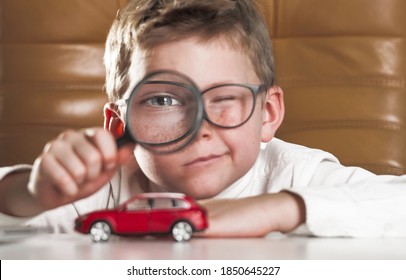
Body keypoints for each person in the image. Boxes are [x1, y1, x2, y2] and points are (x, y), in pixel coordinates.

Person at [0, 0, 405, 237]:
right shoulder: (94, 188)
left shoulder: (293, 174)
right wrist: (30, 194)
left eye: (224, 97)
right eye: (162, 100)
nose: (201, 131)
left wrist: (279, 209)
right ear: (119, 126)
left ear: (267, 114)